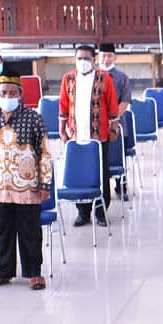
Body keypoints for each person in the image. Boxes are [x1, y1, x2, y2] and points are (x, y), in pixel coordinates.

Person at [0, 77, 54, 291]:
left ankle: (34, 273)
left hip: (28, 187)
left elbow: (45, 152)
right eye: (3, 93)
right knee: (1, 231)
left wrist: (45, 183)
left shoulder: (34, 118)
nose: (7, 97)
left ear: (20, 94)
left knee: (30, 231)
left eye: (12, 93)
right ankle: (3, 271)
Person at [58, 43, 120, 227]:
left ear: (94, 60)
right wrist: (62, 130)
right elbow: (63, 106)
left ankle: (101, 213)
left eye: (86, 58)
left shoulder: (104, 78)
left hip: (99, 137)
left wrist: (114, 129)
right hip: (76, 137)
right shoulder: (68, 78)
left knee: (101, 174)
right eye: (79, 58)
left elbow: (113, 107)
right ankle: (83, 213)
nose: (82, 62)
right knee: (79, 176)